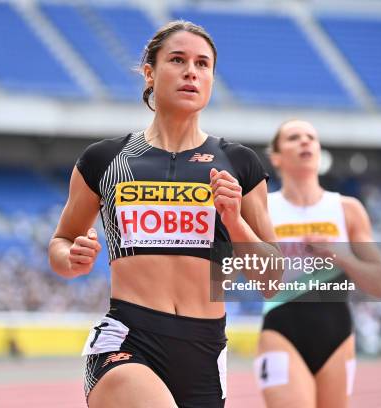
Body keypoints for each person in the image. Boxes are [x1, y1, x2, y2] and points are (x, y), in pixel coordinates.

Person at [49, 20, 281, 408]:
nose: (192, 71)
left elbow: (271, 279)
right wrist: (71, 258)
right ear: (150, 73)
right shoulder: (105, 159)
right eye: (178, 60)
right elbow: (61, 242)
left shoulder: (239, 164)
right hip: (126, 339)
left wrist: (235, 220)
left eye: (203, 64)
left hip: (204, 350)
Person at [254, 119, 381, 408]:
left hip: (336, 332)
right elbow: (252, 275)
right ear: (276, 157)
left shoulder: (347, 210)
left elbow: (378, 283)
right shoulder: (263, 209)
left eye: (310, 137)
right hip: (282, 327)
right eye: (293, 138)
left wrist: (337, 254)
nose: (304, 142)